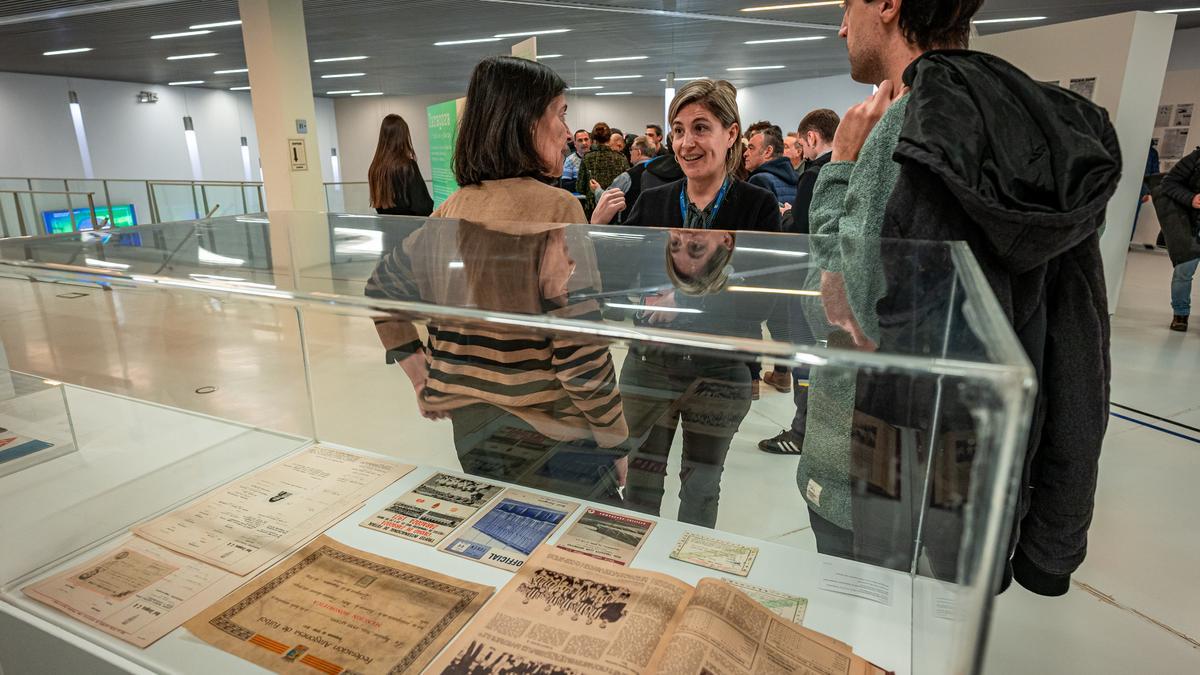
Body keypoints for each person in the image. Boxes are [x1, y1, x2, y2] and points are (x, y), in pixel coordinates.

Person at [365, 55, 628, 503]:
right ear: (525, 122)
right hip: (550, 435)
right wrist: (615, 438)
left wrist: (420, 377)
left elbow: (381, 292)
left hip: (472, 428)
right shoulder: (558, 211)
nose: (568, 133)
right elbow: (579, 350)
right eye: (561, 114)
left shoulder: (451, 210)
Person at [615, 79, 781, 528]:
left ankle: (684, 574)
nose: (687, 143)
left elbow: (762, 301)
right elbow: (625, 277)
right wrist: (597, 230)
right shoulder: (652, 201)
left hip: (720, 371)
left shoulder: (757, 207)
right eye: (679, 129)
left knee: (702, 485)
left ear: (731, 135)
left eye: (701, 128)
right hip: (651, 365)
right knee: (641, 484)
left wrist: (686, 296)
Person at [758, 108, 840, 456]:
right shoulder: (845, 172)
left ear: (811, 138)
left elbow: (803, 233)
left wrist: (786, 216)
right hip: (832, 284)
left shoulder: (814, 175)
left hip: (806, 280)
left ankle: (801, 431)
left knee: (803, 356)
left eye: (801, 143)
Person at [1161, 145, 1200, 331]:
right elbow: (1168, 183)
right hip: (1192, 226)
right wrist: (1191, 198)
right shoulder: (1196, 158)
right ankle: (1180, 314)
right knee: (1183, 272)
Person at [368, 114, 434, 216]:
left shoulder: (375, 168)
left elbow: (378, 205)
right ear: (402, 137)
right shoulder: (407, 166)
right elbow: (422, 207)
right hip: (411, 228)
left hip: (387, 228)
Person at [590, 135, 657, 225]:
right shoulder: (660, 172)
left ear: (638, 152)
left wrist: (597, 190)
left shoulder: (627, 177)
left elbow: (609, 200)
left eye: (631, 149)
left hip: (630, 227)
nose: (629, 152)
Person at [577, 122, 630, 214]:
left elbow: (580, 187)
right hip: (615, 207)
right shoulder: (621, 158)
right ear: (610, 138)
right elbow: (627, 183)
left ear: (593, 139)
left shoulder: (587, 157)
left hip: (593, 208)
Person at [744, 125, 798, 206]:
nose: (745, 154)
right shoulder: (797, 178)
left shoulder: (759, 180)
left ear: (768, 151)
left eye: (751, 148)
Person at [561, 129, 591, 194]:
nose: (584, 143)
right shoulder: (570, 160)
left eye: (586, 139)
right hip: (579, 199)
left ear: (590, 141)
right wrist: (584, 180)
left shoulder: (596, 157)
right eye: (580, 140)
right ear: (575, 144)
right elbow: (565, 185)